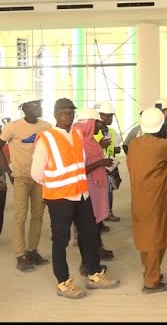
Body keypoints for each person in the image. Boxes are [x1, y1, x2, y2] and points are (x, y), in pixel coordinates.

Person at [31, 98, 119, 298]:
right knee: (61, 240)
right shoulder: (46, 138)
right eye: (63, 113)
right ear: (55, 115)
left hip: (81, 194)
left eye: (70, 113)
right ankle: (64, 283)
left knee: (89, 234)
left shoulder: (77, 134)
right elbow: (36, 174)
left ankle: (94, 274)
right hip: (60, 198)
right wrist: (56, 186)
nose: (67, 117)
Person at [126, 108, 167, 293]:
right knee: (155, 239)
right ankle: (151, 281)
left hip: (139, 197)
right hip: (157, 199)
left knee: (146, 237)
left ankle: (150, 272)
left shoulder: (135, 143)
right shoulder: (162, 145)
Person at [0, 93, 52, 273]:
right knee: (20, 217)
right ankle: (20, 255)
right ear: (24, 107)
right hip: (21, 177)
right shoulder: (12, 127)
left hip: (40, 178)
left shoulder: (46, 127)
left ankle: (32, 251)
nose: (39, 107)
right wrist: (9, 172)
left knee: (38, 215)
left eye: (39, 104)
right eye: (35, 104)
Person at [70, 109, 113, 262]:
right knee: (87, 226)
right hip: (86, 188)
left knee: (95, 224)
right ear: (89, 124)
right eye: (97, 123)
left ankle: (97, 249)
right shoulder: (78, 141)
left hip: (95, 187)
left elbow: (92, 157)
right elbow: (80, 169)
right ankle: (88, 262)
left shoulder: (90, 139)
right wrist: (101, 163)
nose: (99, 127)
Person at [92, 102, 123, 223]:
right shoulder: (93, 132)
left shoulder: (112, 131)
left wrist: (115, 149)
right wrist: (100, 146)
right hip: (97, 166)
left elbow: (116, 147)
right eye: (107, 116)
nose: (110, 118)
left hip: (109, 165)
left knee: (109, 190)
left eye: (111, 116)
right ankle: (99, 218)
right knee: (99, 193)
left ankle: (107, 213)